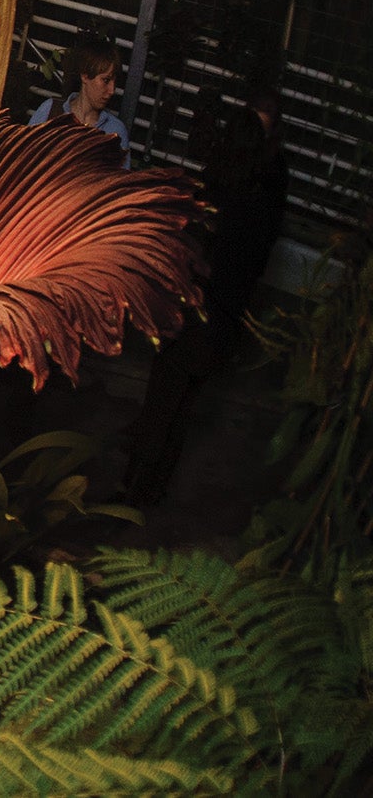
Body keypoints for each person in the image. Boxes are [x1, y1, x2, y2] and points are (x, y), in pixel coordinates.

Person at [125, 86, 286, 504]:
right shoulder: (267, 194)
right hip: (225, 318)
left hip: (193, 312)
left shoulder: (216, 193)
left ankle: (134, 487)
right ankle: (155, 486)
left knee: (162, 399)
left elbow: (190, 249)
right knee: (184, 405)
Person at [31, 35, 131, 167]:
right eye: (106, 80)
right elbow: (24, 159)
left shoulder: (115, 131)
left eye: (115, 82)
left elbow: (120, 179)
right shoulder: (50, 110)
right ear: (85, 76)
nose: (112, 90)